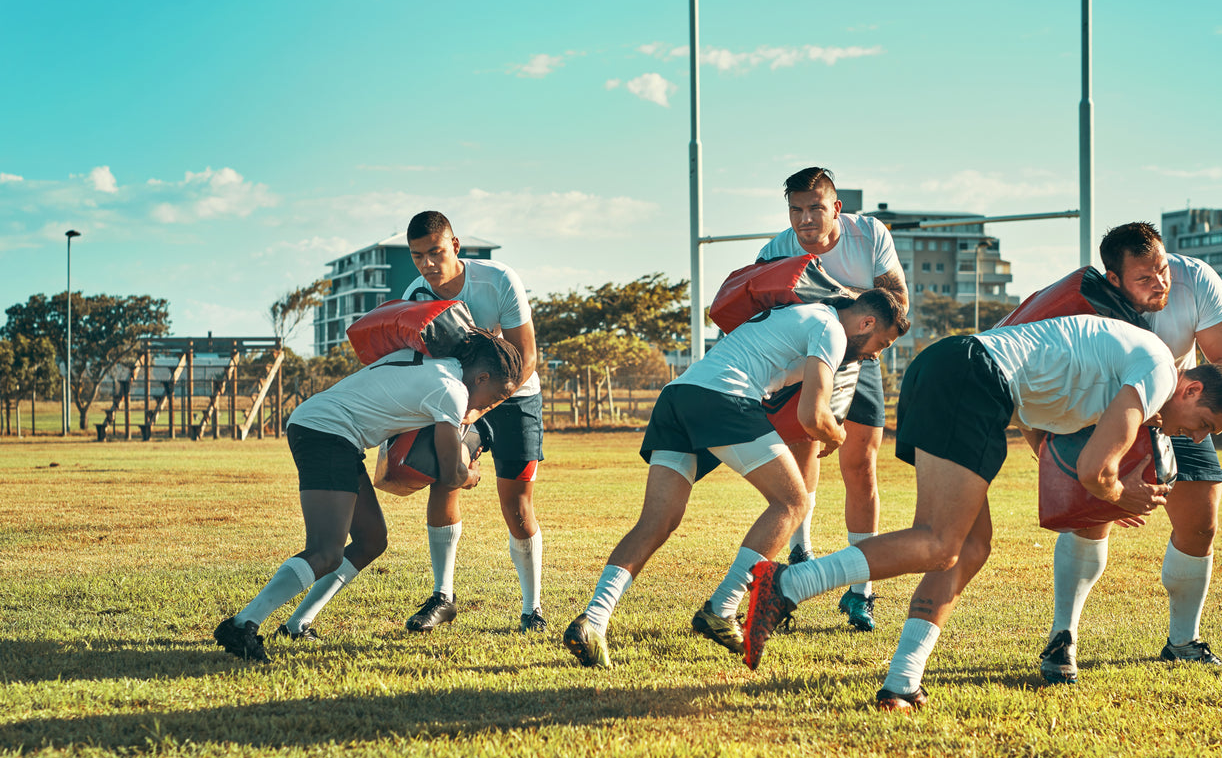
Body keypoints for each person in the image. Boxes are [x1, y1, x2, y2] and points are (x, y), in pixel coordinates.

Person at [741, 315, 1222, 711]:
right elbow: (1097, 469)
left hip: (952, 371)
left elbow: (1043, 417)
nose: (1196, 438)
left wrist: (1100, 481)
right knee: (940, 541)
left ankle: (901, 684)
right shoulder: (1161, 371)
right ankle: (788, 585)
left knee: (968, 549)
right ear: (1192, 388)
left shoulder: (1141, 367)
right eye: (1204, 423)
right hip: (972, 377)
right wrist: (1120, 494)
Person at [562, 289, 908, 668]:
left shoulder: (806, 315)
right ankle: (723, 607)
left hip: (678, 396)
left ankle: (593, 619)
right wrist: (836, 435)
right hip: (723, 398)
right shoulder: (832, 329)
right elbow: (814, 415)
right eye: (882, 343)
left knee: (656, 522)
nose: (877, 353)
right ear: (867, 322)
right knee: (794, 502)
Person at [276, 211, 547, 640]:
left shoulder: (498, 280)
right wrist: (446, 418)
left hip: (514, 395)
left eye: (435, 252)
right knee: (446, 476)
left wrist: (474, 412)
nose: (427, 264)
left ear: (455, 247)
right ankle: (443, 596)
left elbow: (526, 358)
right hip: (458, 398)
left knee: (517, 506)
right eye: (418, 256)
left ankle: (532, 609)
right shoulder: (416, 294)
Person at [213, 329, 524, 662]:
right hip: (326, 430)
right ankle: (243, 623)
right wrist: (471, 476)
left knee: (371, 539)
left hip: (332, 431)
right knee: (325, 552)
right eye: (493, 397)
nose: (487, 406)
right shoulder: (452, 390)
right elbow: (450, 474)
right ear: (482, 377)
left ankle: (297, 624)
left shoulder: (437, 365)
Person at [1039, 222, 1222, 684]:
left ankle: (1182, 642)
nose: (1160, 282)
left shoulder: (1194, 278)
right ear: (1114, 279)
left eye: (1163, 269)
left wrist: (1175, 399)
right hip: (1102, 407)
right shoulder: (1086, 298)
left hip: (1178, 403)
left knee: (1201, 522)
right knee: (1089, 515)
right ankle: (1063, 638)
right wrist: (1049, 447)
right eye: (1145, 277)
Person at [755, 167, 909, 633]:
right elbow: (755, 310)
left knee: (861, 465)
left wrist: (843, 308)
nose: (805, 219)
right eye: (796, 209)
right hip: (807, 361)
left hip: (861, 354)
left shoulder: (869, 234)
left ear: (835, 208)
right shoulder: (777, 249)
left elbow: (897, 301)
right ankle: (800, 557)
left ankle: (861, 590)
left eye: (815, 208)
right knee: (807, 454)